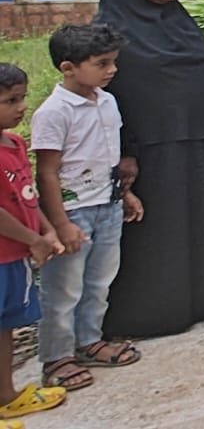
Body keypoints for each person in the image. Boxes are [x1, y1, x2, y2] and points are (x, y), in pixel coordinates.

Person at [96, 0, 204, 337]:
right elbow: (110, 96)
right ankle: (157, 311)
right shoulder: (112, 32)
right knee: (158, 226)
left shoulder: (181, 23)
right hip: (149, 148)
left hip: (198, 139)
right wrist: (125, 151)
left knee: (202, 218)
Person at [32, 24, 143, 392]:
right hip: (74, 211)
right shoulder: (53, 112)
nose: (111, 70)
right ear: (68, 68)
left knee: (99, 281)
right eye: (101, 63)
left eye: (113, 62)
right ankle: (56, 356)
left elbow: (108, 156)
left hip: (107, 204)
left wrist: (124, 193)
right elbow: (47, 173)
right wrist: (60, 224)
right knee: (63, 288)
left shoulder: (107, 100)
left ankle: (89, 341)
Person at [0, 63, 69, 423]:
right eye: (10, 100)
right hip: (7, 251)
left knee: (6, 325)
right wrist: (33, 239)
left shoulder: (14, 143)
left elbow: (26, 196)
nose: (22, 107)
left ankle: (7, 396)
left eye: (22, 97)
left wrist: (45, 231)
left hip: (14, 256)